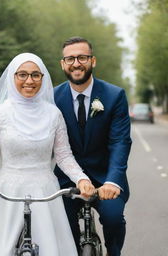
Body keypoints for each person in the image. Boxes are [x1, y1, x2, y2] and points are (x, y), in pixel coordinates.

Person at [0, 53, 96, 256]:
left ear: (43, 78)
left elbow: (64, 156)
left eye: (35, 75)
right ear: (12, 78)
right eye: (22, 74)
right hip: (6, 191)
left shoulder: (53, 114)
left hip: (45, 191)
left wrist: (82, 180)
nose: (29, 81)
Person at [54, 37, 132, 256]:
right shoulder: (51, 98)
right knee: (60, 223)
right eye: (70, 58)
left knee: (113, 218)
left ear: (93, 61)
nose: (76, 63)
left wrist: (113, 181)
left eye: (82, 57)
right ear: (63, 63)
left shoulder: (114, 95)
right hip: (66, 178)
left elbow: (120, 142)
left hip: (105, 177)